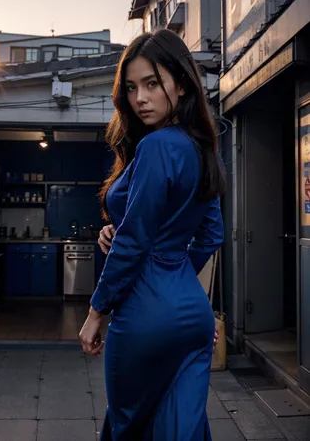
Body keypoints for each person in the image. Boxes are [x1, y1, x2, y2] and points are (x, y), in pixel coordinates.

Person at [78, 29, 225, 440]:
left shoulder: (156, 147)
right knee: (184, 430)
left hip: (144, 316)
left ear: (179, 82)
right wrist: (176, 280)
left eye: (151, 84)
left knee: (131, 428)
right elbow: (211, 234)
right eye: (131, 87)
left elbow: (136, 240)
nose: (140, 98)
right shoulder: (202, 148)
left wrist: (95, 313)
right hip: (193, 317)